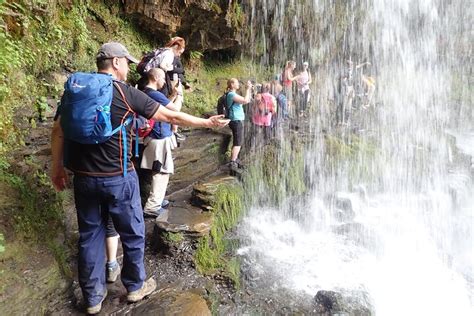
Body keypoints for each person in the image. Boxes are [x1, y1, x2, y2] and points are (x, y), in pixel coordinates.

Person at [50, 42, 228, 314]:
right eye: (127, 63)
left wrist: (57, 168)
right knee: (132, 233)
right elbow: (170, 115)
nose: (129, 69)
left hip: (84, 179)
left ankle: (93, 299)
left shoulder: (76, 91)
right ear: (116, 62)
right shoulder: (126, 93)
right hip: (119, 178)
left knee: (90, 236)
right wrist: (207, 123)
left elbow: (58, 132)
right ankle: (134, 287)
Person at [140, 68, 181, 218]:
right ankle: (152, 207)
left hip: (152, 136)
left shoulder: (144, 92)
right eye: (163, 78)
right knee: (162, 171)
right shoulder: (155, 94)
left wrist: (174, 94)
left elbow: (162, 108)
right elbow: (174, 110)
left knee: (159, 169)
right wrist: (179, 96)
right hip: (158, 137)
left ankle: (158, 199)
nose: (164, 82)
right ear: (156, 78)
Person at [226, 78, 252, 170]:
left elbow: (247, 100)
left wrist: (249, 90)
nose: (238, 84)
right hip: (235, 120)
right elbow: (245, 100)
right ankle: (233, 161)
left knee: (238, 141)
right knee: (238, 142)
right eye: (236, 83)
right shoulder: (231, 94)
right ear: (232, 85)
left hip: (237, 120)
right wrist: (248, 89)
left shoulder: (233, 94)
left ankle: (235, 158)